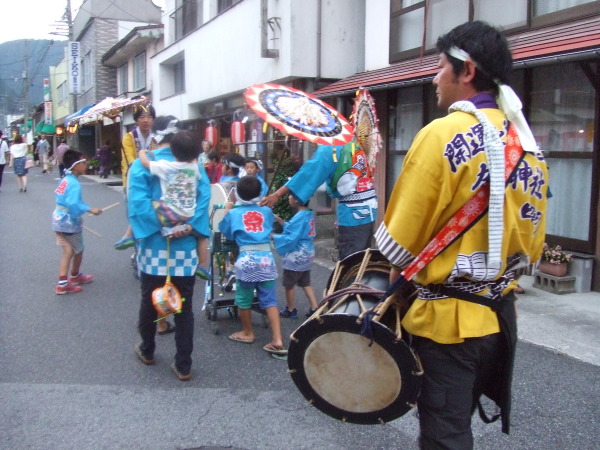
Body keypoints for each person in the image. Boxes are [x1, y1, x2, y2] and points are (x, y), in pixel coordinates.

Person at [374, 21, 548, 448]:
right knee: (457, 418)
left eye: (439, 67)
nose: (434, 78)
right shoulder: (528, 144)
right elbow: (532, 245)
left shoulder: (441, 134)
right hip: (497, 319)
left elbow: (397, 243)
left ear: (466, 70)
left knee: (444, 434)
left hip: (448, 326)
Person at [128, 115, 211, 381]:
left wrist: (163, 223)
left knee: (149, 299)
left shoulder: (142, 166)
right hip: (185, 246)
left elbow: (137, 206)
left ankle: (148, 350)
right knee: (183, 306)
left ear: (155, 133)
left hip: (153, 245)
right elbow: (203, 201)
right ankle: (183, 365)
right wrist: (186, 227)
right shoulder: (194, 165)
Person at [261, 138, 377, 261]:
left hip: (353, 212)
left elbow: (307, 174)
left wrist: (277, 194)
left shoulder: (329, 148)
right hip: (369, 207)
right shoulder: (352, 142)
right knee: (363, 257)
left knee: (352, 261)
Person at [218, 176, 287, 356]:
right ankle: (277, 339)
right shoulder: (266, 211)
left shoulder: (234, 213)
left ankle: (248, 332)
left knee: (244, 298)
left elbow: (225, 231)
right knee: (269, 299)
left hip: (246, 259)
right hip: (266, 259)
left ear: (238, 194)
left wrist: (227, 210)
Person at [137, 128, 210, 281]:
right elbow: (204, 194)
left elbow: (145, 163)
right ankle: (203, 265)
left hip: (169, 212)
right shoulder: (196, 169)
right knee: (203, 237)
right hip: (189, 213)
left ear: (172, 150)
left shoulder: (165, 166)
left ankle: (130, 235)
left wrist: (141, 153)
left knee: (150, 205)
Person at [52, 150, 103, 294]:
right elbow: (74, 204)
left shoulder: (65, 179)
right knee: (77, 249)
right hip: (68, 221)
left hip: (57, 219)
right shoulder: (74, 183)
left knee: (68, 250)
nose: (86, 165)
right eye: (83, 162)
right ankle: (72, 277)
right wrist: (90, 209)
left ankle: (65, 281)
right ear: (75, 166)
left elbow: (60, 196)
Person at [115, 104, 156, 250]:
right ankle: (137, 249)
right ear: (136, 120)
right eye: (142, 117)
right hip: (133, 182)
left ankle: (144, 244)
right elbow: (130, 162)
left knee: (151, 214)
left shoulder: (156, 138)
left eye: (149, 117)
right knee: (135, 213)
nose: (146, 120)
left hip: (153, 182)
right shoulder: (129, 138)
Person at [273, 194, 319, 318]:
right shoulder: (308, 213)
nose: (288, 197)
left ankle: (291, 309)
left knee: (289, 284)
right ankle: (315, 308)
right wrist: (280, 220)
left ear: (297, 201)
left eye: (291, 196)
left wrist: (273, 236)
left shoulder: (299, 216)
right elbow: (295, 229)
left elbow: (291, 237)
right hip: (307, 252)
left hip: (296, 254)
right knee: (305, 282)